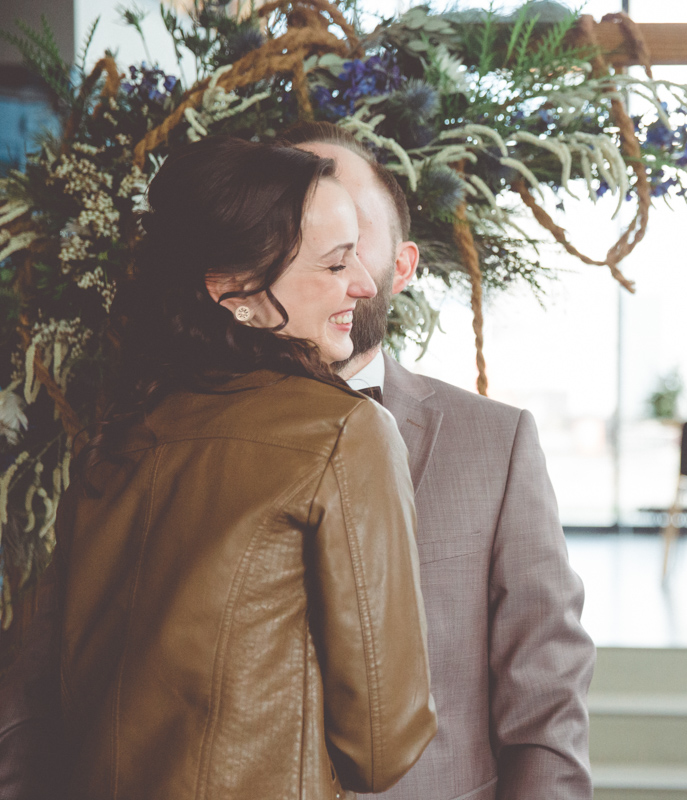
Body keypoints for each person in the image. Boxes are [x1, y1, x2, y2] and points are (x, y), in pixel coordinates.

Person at [7, 136, 437, 798]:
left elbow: (51, 703)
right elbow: (382, 747)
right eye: (332, 265)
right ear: (235, 291)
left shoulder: (113, 440)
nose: (362, 283)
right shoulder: (344, 434)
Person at [277, 121, 595, 800]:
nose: (332, 255)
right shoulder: (163, 439)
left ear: (402, 267)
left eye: (353, 230)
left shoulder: (495, 445)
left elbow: (546, 711)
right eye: (300, 228)